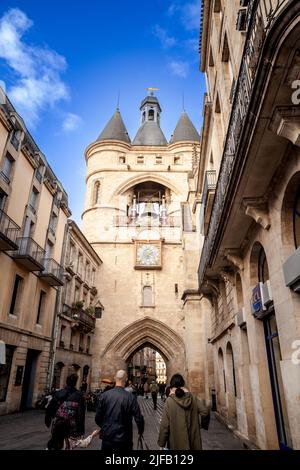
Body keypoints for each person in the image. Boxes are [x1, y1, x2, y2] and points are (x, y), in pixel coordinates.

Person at [158, 373, 210, 451]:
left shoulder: (169, 401)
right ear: (183, 383)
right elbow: (205, 412)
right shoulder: (192, 397)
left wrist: (161, 443)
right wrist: (202, 425)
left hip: (176, 443)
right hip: (193, 441)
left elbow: (165, 425)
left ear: (172, 385)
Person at [95, 370, 144, 450]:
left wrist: (106, 426)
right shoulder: (130, 397)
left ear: (115, 378)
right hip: (124, 438)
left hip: (108, 437)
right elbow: (139, 418)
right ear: (126, 380)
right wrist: (140, 431)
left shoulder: (104, 396)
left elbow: (97, 418)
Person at [45, 374, 86, 450]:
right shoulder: (79, 395)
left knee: (56, 439)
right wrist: (81, 430)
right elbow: (81, 414)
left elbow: (50, 408)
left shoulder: (59, 393)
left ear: (66, 382)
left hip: (58, 421)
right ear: (75, 383)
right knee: (68, 442)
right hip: (71, 424)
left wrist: (48, 420)